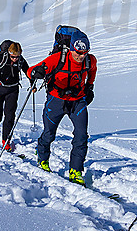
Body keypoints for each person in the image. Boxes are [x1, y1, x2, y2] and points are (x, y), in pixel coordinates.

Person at [27, 31, 96, 186]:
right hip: (56, 101)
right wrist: (36, 73)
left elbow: (92, 72)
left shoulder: (90, 61)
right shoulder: (57, 58)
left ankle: (76, 171)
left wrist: (90, 88)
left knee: (81, 135)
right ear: (71, 49)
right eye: (78, 53)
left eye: (84, 53)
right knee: (49, 133)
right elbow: (30, 70)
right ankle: (43, 158)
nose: (81, 56)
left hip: (77, 101)